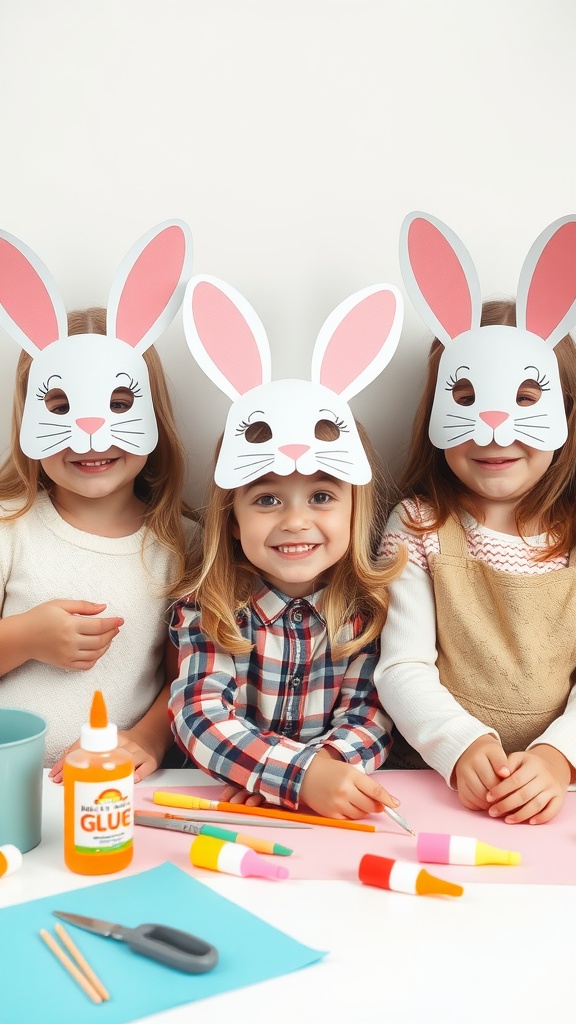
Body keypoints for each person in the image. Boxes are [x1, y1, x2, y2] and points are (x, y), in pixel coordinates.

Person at [168, 272, 406, 819]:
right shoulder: (209, 607)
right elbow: (198, 714)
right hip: (223, 808)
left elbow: (371, 717)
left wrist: (310, 775)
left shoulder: (368, 610)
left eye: (321, 496)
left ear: (355, 508)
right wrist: (291, 776)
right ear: (231, 518)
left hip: (319, 806)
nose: (296, 522)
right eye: (268, 500)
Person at [376, 210, 576, 825]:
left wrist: (559, 755)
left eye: (525, 400)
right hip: (436, 784)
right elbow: (401, 665)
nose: (496, 428)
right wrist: (460, 743)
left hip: (555, 792)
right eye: (465, 400)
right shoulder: (417, 527)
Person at [0, 307, 196, 781]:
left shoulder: (184, 543)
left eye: (120, 404)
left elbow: (185, 678)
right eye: (61, 408)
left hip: (115, 789)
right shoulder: (10, 526)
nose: (91, 435)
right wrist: (26, 636)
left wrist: (148, 739)